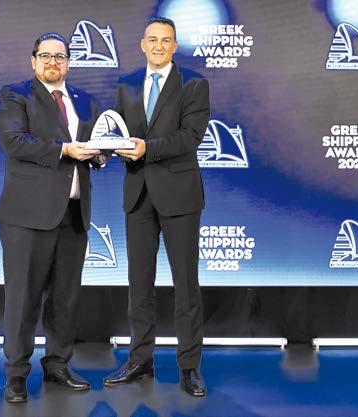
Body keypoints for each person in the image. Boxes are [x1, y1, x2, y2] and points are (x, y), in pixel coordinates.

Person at [102, 17, 210, 397]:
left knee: (186, 286)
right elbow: (119, 135)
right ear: (142, 44)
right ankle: (140, 360)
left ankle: (189, 367)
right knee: (139, 285)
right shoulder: (127, 84)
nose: (159, 46)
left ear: (175, 46)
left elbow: (191, 137)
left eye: (166, 40)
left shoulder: (194, 83)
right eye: (153, 39)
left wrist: (147, 148)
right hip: (138, 193)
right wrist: (108, 150)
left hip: (179, 194)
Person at [0, 32, 104, 403]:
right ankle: (16, 374)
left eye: (60, 56)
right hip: (27, 216)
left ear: (69, 62)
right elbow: (14, 142)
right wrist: (65, 150)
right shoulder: (15, 95)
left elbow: (94, 147)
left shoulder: (85, 101)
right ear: (33, 61)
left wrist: (101, 155)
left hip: (73, 214)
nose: (53, 62)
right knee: (23, 299)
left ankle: (57, 364)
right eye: (45, 56)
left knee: (64, 299)